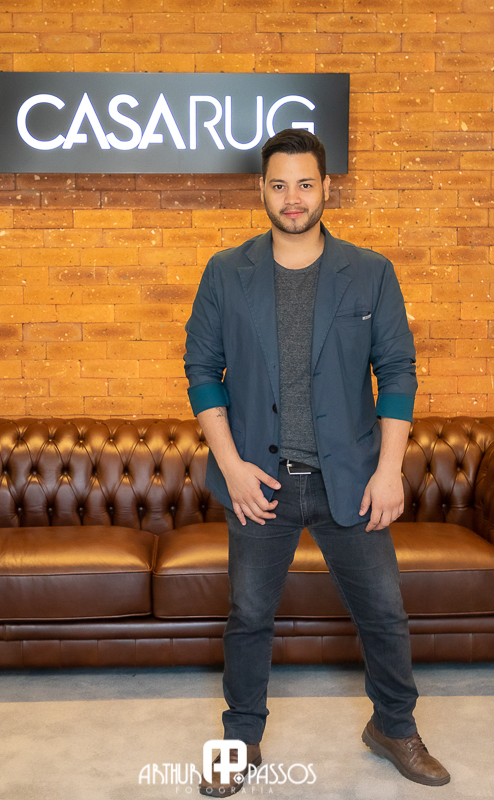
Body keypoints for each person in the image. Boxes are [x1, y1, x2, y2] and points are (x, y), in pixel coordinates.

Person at [184, 128, 450, 795]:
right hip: (259, 481)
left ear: (327, 187)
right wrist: (231, 466)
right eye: (279, 185)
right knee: (248, 616)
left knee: (383, 613)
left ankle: (394, 726)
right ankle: (240, 740)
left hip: (351, 480)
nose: (292, 198)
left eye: (305, 184)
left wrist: (388, 471)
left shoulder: (370, 271)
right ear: (261, 190)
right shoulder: (226, 272)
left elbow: (396, 372)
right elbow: (202, 371)